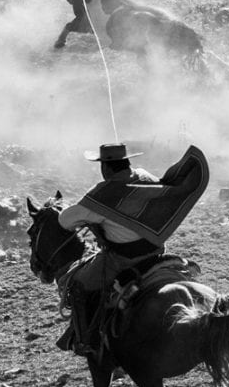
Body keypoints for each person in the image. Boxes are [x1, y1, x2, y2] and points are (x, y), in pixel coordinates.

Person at [55, 143, 165, 355]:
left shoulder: (103, 194)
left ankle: (85, 339)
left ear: (105, 167)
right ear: (127, 161)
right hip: (156, 251)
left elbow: (65, 220)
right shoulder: (146, 177)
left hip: (123, 258)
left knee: (77, 283)